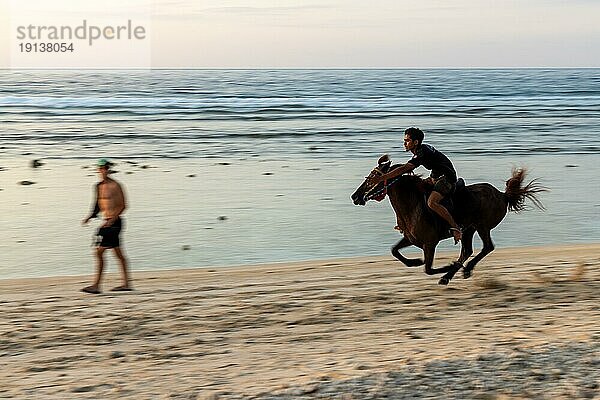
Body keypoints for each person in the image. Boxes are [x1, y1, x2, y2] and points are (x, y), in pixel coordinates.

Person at [371, 127, 462, 243]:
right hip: (437, 177)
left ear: (416, 142)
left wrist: (382, 178)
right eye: (404, 140)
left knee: (432, 202)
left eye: (407, 141)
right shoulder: (420, 151)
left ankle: (455, 227)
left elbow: (405, 168)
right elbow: (437, 164)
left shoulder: (422, 152)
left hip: (447, 179)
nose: (404, 143)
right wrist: (432, 178)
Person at [81, 158, 132, 293]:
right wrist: (90, 217)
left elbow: (123, 206)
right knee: (118, 254)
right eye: (100, 168)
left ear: (108, 170)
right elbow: (97, 205)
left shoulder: (116, 186)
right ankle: (126, 284)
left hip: (115, 223)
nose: (103, 171)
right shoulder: (97, 186)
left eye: (105, 168)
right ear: (98, 170)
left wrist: (112, 220)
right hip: (106, 222)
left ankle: (96, 285)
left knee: (99, 252)